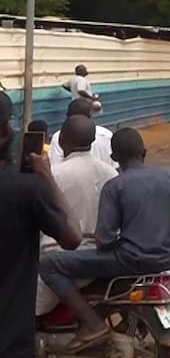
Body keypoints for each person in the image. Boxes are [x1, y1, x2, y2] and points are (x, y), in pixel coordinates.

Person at [39, 128, 170, 353]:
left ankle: (92, 324)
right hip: (168, 262)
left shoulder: (115, 186)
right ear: (144, 152)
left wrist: (119, 241)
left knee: (48, 265)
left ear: (114, 157)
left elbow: (105, 238)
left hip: (130, 260)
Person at [0, 91, 82, 358]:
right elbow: (72, 236)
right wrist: (45, 177)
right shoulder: (25, 190)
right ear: (6, 133)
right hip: (9, 351)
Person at [34, 116, 117, 316]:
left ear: (61, 140)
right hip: (99, 258)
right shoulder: (111, 175)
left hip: (60, 260)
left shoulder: (53, 175)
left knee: (19, 308)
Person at [50, 97, 116, 168]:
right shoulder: (106, 134)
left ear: (67, 116)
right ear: (90, 116)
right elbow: (115, 164)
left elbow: (55, 167)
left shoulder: (59, 137)